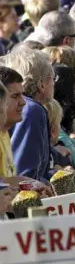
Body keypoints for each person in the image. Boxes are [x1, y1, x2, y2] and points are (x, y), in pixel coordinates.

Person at [0, 49, 55, 183]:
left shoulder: (5, 132)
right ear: (41, 84)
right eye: (53, 79)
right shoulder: (33, 111)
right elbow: (26, 172)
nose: (22, 102)